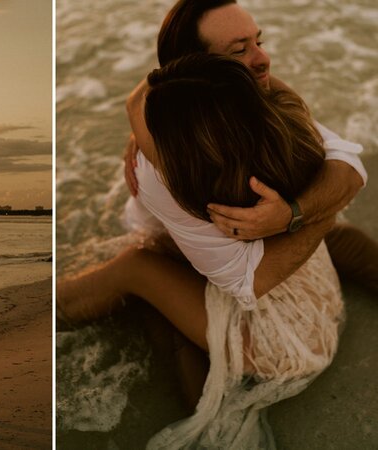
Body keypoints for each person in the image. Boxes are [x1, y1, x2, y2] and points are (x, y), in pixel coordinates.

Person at [63, 53, 343, 448]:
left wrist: (141, 144)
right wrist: (315, 213)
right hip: (311, 302)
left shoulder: (193, 184)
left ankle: (50, 309)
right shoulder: (284, 131)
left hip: (278, 342)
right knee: (160, 258)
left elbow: (134, 107)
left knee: (137, 265)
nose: (259, 58)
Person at [123, 0, 377, 292]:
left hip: (254, 244)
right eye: (239, 50)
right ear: (195, 72)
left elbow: (348, 164)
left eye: (259, 41)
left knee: (351, 243)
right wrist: (309, 216)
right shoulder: (170, 162)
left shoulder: (254, 100)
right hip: (180, 249)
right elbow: (243, 279)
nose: (264, 59)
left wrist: (293, 214)